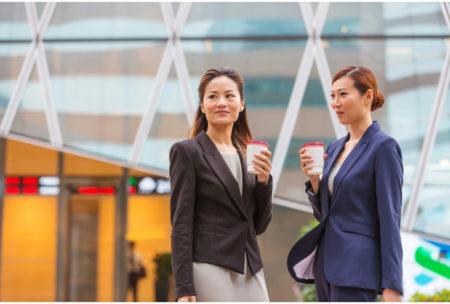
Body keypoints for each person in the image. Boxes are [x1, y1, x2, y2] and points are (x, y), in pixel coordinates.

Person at [287, 66, 403, 302]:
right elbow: (325, 215)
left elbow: (390, 219)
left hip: (357, 269)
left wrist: (393, 286)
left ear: (368, 96)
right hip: (326, 267)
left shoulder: (383, 147)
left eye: (343, 94)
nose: (336, 102)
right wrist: (314, 181)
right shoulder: (334, 148)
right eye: (332, 95)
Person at [169, 67, 273, 302]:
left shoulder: (247, 155)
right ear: (203, 106)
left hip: (249, 265)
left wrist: (264, 182)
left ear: (242, 104)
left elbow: (258, 225)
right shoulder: (187, 152)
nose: (221, 102)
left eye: (229, 95)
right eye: (212, 96)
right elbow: (181, 224)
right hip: (209, 265)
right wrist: (184, 287)